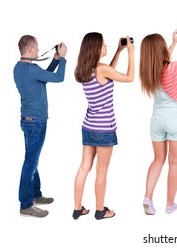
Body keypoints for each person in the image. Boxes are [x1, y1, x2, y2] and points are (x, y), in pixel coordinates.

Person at [73, 33, 134, 220]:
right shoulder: (102, 69)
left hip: (89, 126)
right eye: (104, 44)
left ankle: (77, 208)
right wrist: (131, 52)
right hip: (104, 128)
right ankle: (100, 210)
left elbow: (108, 73)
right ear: (96, 48)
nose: (106, 45)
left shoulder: (86, 69)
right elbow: (129, 77)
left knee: (84, 167)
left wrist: (119, 50)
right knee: (102, 170)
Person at [139, 26, 177, 215]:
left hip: (156, 120)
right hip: (176, 119)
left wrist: (174, 42)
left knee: (158, 160)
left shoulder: (148, 72)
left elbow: (161, 60)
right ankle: (170, 204)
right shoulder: (171, 68)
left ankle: (148, 197)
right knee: (174, 163)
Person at [14, 35, 67, 217]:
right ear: (29, 49)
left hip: (28, 121)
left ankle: (35, 195)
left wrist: (55, 60)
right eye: (36, 48)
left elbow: (43, 78)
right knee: (30, 163)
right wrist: (64, 58)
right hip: (36, 123)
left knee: (31, 159)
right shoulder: (32, 69)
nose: (38, 50)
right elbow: (59, 78)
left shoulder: (20, 68)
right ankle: (26, 205)